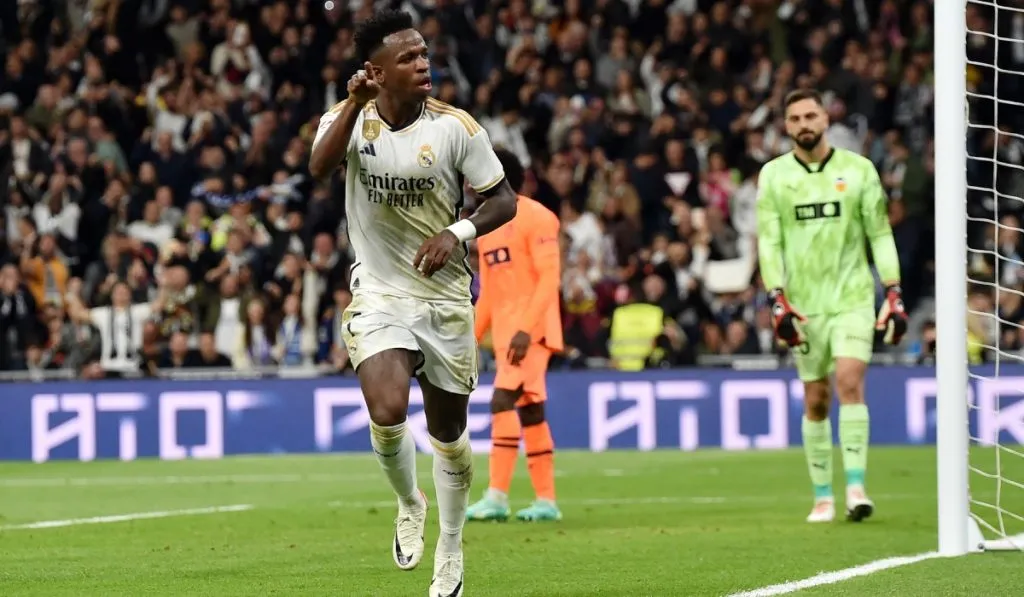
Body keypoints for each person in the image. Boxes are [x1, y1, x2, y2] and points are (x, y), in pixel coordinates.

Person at [308, 10, 518, 597]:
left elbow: (504, 201)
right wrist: (352, 104)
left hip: (445, 296)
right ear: (376, 70)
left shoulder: (456, 127)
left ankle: (451, 545)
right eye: (409, 57)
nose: (424, 64)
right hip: (378, 290)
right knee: (386, 407)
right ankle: (409, 503)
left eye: (424, 54)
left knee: (448, 434)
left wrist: (458, 233)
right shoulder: (346, 120)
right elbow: (318, 167)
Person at [755, 89, 907, 524]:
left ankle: (856, 487)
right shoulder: (773, 176)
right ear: (786, 126)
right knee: (816, 399)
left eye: (811, 115)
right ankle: (823, 495)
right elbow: (770, 241)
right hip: (804, 305)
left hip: (853, 297)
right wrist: (776, 297)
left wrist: (892, 290)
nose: (804, 123)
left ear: (826, 119)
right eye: (795, 118)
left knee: (849, 380)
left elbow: (879, 233)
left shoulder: (859, 171)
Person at [466, 148, 564, 523]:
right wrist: (471, 337)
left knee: (501, 402)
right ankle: (547, 501)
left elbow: (548, 280)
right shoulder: (487, 225)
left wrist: (526, 329)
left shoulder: (538, 217)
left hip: (532, 334)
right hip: (508, 336)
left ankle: (496, 496)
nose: (472, 183)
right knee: (532, 413)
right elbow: (489, 292)